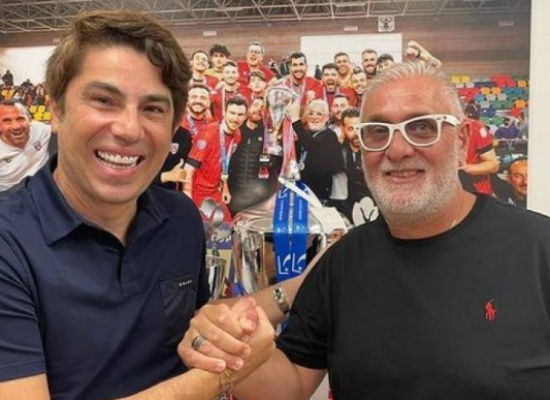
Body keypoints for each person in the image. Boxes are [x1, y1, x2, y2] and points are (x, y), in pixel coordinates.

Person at [180, 61, 550, 399]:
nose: (398, 149)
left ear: (463, 140)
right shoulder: (343, 261)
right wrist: (231, 345)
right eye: (377, 132)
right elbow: (289, 384)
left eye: (422, 127)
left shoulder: (538, 248)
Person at [0, 10, 276, 400]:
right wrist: (219, 377)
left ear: (174, 125)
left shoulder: (180, 219)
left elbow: (193, 334)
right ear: (57, 109)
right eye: (103, 100)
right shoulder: (8, 243)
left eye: (153, 109)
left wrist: (236, 324)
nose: (129, 129)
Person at [183, 95, 248, 220]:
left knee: (227, 227)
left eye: (240, 115)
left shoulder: (237, 135)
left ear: (245, 117)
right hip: (197, 193)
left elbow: (223, 163)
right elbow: (188, 169)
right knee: (208, 229)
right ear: (225, 113)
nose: (235, 118)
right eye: (232, 113)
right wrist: (187, 200)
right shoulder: (208, 132)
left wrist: (225, 187)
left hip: (215, 192)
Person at [227, 97, 280, 215]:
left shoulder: (270, 135)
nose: (259, 110)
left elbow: (277, 168)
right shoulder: (235, 130)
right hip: (233, 196)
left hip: (259, 200)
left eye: (263, 107)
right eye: (255, 105)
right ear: (248, 109)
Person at [289, 99, 343, 204]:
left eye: (319, 114)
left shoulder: (330, 136)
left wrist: (295, 121)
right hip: (301, 192)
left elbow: (313, 149)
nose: (314, 117)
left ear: (326, 117)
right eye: (311, 113)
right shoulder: (305, 135)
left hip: (320, 197)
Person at [0, 100, 53, 199]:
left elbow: (66, 129)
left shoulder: (41, 130)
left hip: (43, 186)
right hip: (10, 196)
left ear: (29, 120)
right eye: (7, 121)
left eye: (20, 119)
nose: (16, 126)